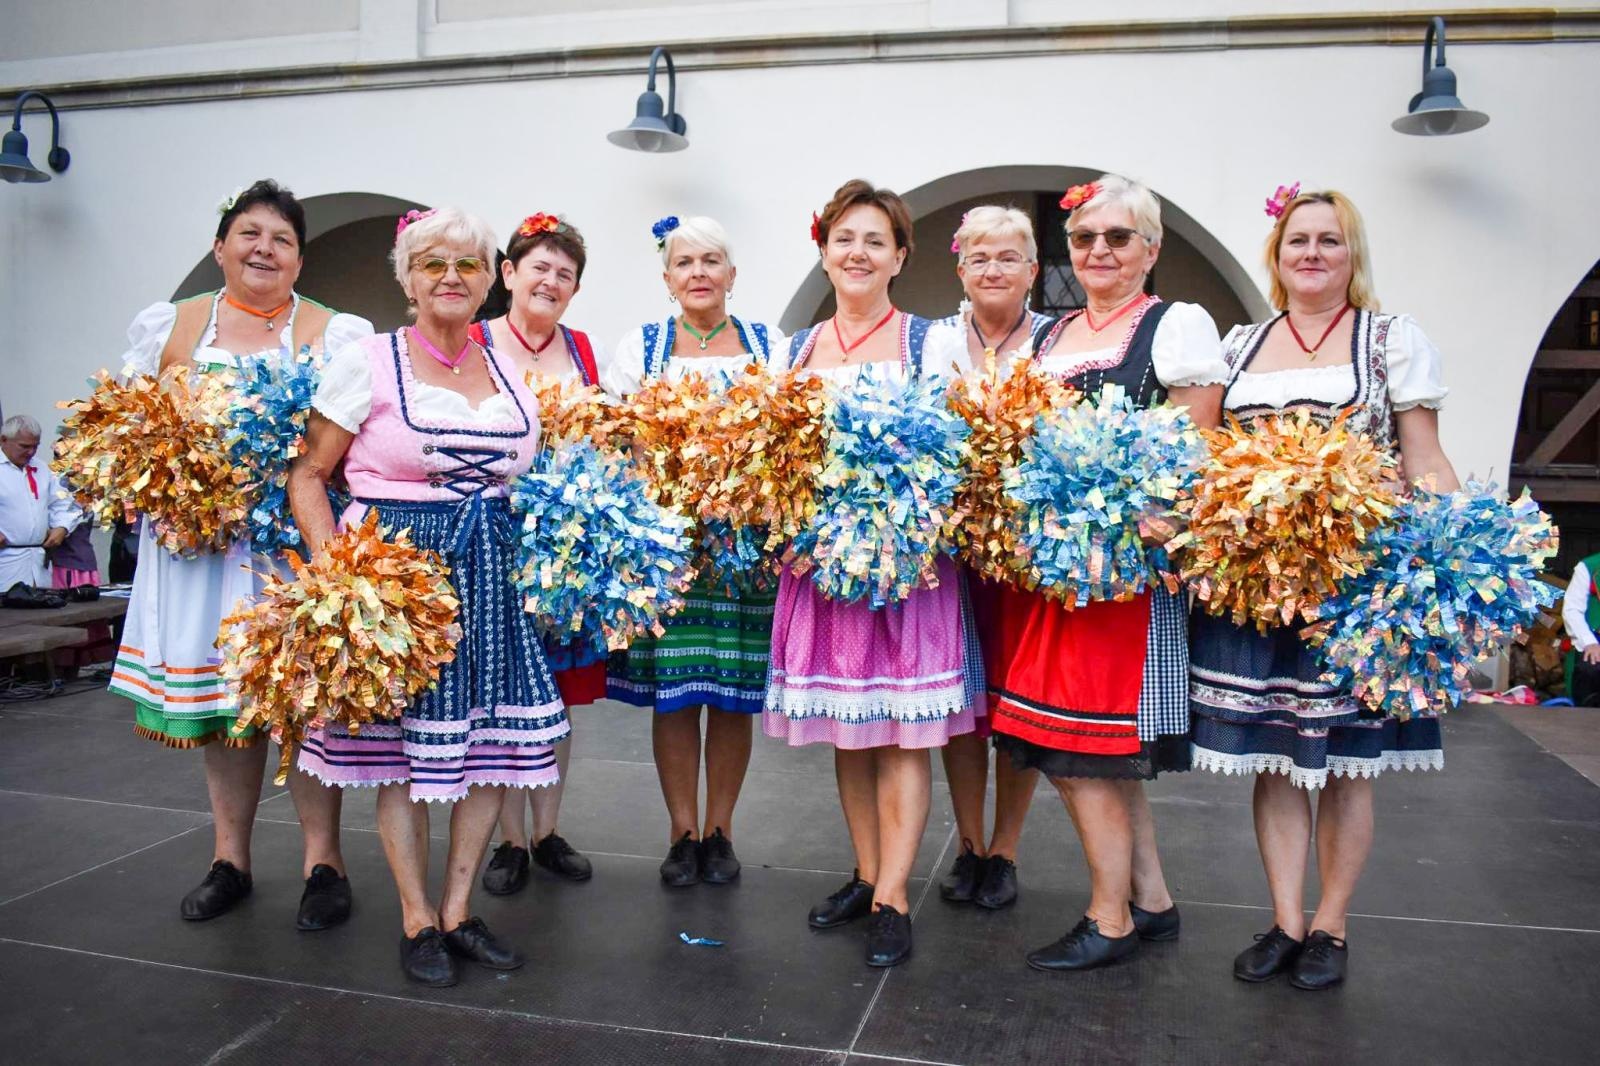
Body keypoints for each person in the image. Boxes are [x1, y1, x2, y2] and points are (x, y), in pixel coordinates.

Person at [290, 207, 568, 988]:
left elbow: (529, 480)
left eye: (468, 265)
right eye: (432, 264)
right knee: (403, 757)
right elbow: (310, 475)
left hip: (490, 575)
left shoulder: (511, 370)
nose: (451, 277)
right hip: (399, 581)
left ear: (491, 279)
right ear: (407, 279)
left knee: (485, 755)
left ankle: (458, 910)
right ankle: (416, 918)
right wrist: (340, 577)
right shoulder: (369, 361)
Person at [1188, 187, 1456, 991]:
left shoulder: (1390, 342)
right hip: (1261, 588)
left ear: (1352, 255)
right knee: (1277, 758)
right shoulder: (1239, 345)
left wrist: (1454, 543)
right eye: (1298, 240)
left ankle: (1331, 927)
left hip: (1353, 585)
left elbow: (1424, 458)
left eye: (1329, 241)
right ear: (1277, 257)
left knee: (1345, 764)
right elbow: (1203, 456)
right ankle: (1285, 920)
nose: (1312, 253)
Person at [107, 180, 371, 928]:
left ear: (299, 258)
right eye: (250, 234)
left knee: (304, 703)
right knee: (228, 707)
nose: (265, 249)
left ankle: (325, 861)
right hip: (200, 549)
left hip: (291, 547)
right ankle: (232, 860)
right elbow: (130, 432)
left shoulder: (335, 331)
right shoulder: (173, 327)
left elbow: (352, 442)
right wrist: (162, 484)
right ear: (220, 246)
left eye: (282, 239)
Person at [988, 175, 1227, 973]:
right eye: (1085, 239)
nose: (1098, 252)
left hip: (1123, 575)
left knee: (1087, 752)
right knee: (1081, 749)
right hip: (1055, 570)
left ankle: (1109, 917)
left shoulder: (1175, 324)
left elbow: (1197, 451)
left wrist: (1133, 522)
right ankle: (1150, 900)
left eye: (1118, 238)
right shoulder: (1050, 337)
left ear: (1150, 250)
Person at [764, 180, 981, 968]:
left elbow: (968, 455)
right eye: (844, 238)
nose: (857, 253)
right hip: (820, 567)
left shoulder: (934, 343)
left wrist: (908, 525)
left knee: (902, 736)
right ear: (824, 250)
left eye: (874, 241)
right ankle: (863, 871)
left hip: (908, 570)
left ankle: (893, 893)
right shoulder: (792, 350)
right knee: (848, 735)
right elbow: (778, 463)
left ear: (899, 257)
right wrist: (789, 525)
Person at [606, 215, 782, 889]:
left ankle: (722, 830)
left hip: (742, 546)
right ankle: (682, 830)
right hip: (668, 547)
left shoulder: (770, 345)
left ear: (732, 275)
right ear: (667, 278)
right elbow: (618, 435)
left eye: (712, 261)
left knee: (730, 694)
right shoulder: (643, 347)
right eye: (686, 263)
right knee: (676, 696)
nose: (699, 272)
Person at [926, 205, 1054, 910]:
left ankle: (1005, 847)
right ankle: (968, 843)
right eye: (980, 258)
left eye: (1008, 257)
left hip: (1029, 550)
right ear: (961, 270)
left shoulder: (1056, 343)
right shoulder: (937, 343)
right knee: (964, 700)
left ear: (1033, 270)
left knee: (1016, 699)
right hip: (953, 548)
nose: (994, 269)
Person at [473, 214, 602, 896]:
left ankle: (547, 830)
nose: (550, 281)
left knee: (556, 695)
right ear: (509, 274)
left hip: (562, 546)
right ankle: (508, 840)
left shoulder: (581, 350)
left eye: (565, 273)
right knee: (498, 691)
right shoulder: (473, 343)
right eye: (539, 267)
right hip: (488, 537)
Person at [0, 415, 79, 590]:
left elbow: (63, 504)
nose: (31, 452)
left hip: (38, 562)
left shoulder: (42, 469)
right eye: (24, 446)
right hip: (5, 563)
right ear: (3, 440)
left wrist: (62, 527)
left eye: (35, 446)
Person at [1561, 558, 1600, 706]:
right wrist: (1589, 643)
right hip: (1595, 641)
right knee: (1590, 669)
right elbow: (1572, 610)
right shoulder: (1589, 567)